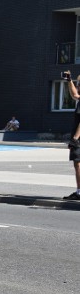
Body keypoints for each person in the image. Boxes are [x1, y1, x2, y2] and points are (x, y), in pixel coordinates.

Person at [63, 71, 80, 200]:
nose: (78, 86)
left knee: (78, 163)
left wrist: (74, 139)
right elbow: (74, 95)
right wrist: (69, 81)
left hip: (78, 139)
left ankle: (79, 192)